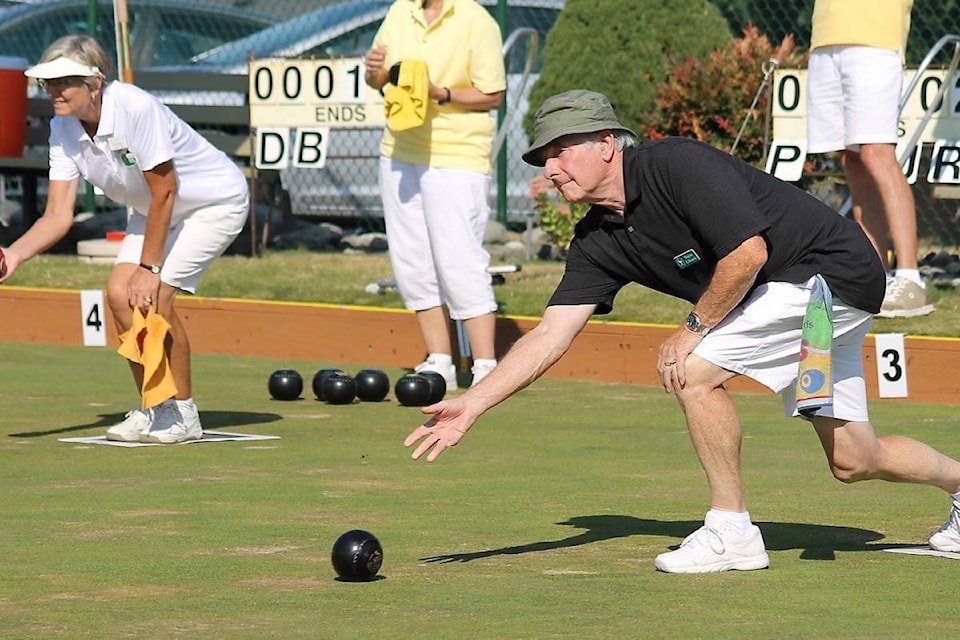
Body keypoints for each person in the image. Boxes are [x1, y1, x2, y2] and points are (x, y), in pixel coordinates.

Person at [403, 89, 960, 573]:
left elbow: (747, 254)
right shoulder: (598, 240)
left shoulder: (676, 164)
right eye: (542, 158)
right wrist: (473, 403)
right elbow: (550, 335)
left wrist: (693, 327)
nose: (550, 168)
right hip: (801, 299)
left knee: (691, 370)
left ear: (606, 144)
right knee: (854, 461)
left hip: (827, 273)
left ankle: (733, 532)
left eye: (560, 151)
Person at [0, 35, 249, 443]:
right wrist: (14, 255)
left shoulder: (135, 107)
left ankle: (184, 415)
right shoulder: (62, 126)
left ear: (95, 83)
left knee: (157, 299)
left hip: (214, 204)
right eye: (49, 82)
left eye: (65, 81)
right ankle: (156, 407)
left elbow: (166, 189)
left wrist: (150, 269)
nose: (53, 90)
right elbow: (58, 215)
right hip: (153, 210)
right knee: (120, 295)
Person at [363, 0, 506, 389]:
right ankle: (440, 359)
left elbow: (492, 94)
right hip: (399, 149)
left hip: (457, 154)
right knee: (412, 259)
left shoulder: (477, 20)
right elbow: (378, 80)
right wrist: (374, 70)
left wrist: (439, 93)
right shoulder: (399, 12)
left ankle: (486, 366)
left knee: (458, 258)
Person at [806, 0, 933, 318]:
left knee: (878, 155)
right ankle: (875, 277)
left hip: (876, 40)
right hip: (825, 38)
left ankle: (910, 278)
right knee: (853, 161)